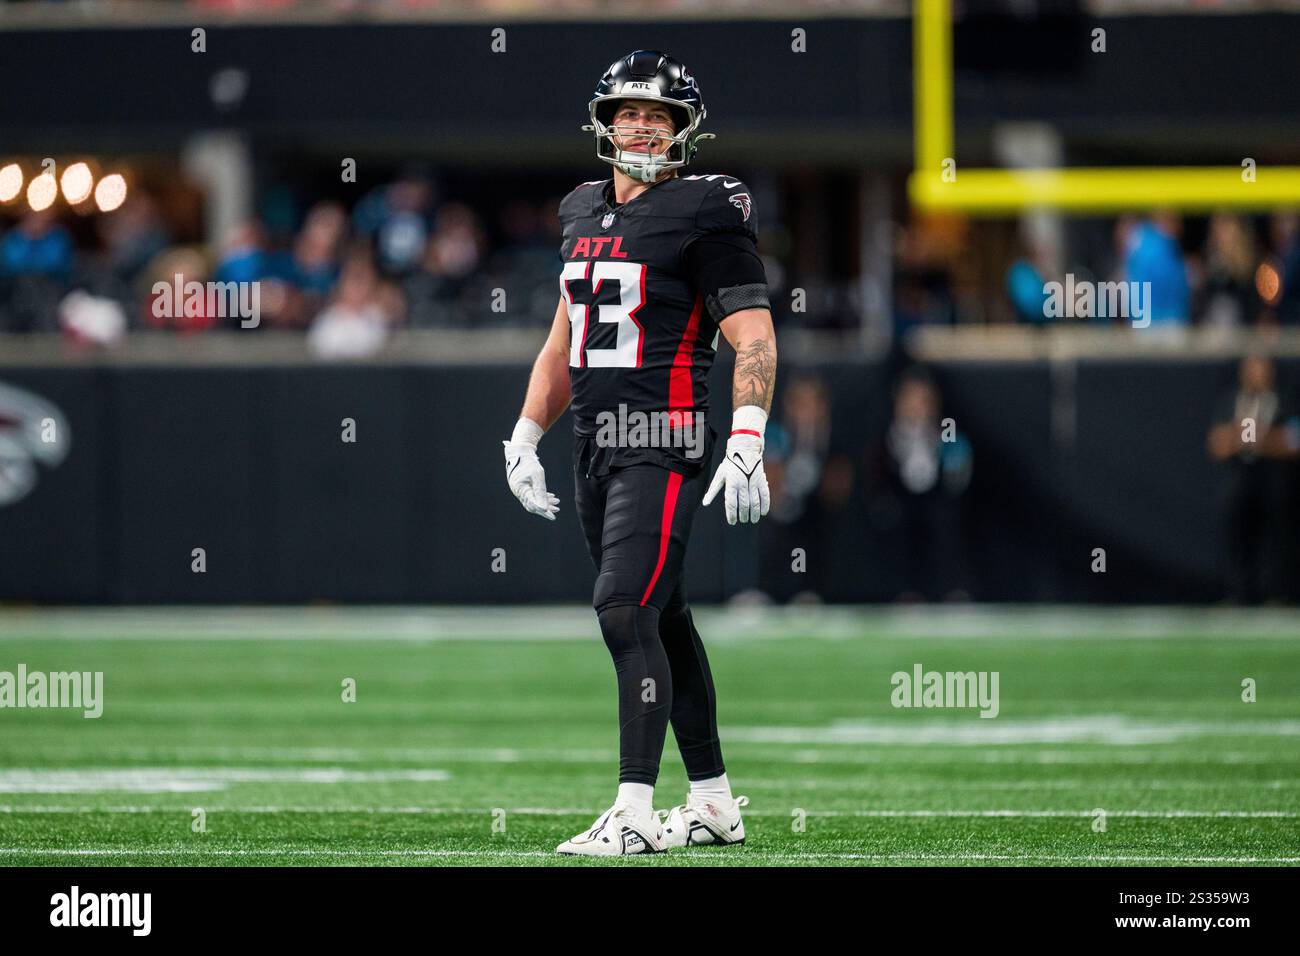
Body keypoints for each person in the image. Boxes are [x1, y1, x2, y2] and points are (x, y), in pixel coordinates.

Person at [501, 50, 777, 855]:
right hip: (594, 441)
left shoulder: (707, 206)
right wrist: (525, 432)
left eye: (658, 115)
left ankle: (633, 812)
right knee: (661, 614)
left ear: (685, 128)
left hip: (665, 433)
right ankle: (715, 802)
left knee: (624, 608)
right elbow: (565, 338)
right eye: (628, 112)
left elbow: (752, 334)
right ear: (603, 122)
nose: (642, 126)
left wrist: (751, 432)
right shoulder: (581, 209)